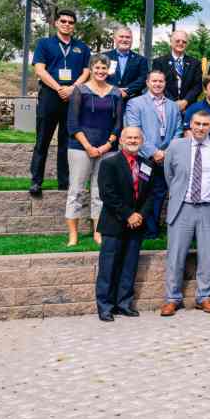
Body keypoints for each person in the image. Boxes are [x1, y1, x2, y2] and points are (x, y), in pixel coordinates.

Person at [160, 110, 210, 316]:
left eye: (205, 125)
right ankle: (172, 298)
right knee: (176, 255)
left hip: (209, 208)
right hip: (183, 207)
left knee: (207, 255)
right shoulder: (176, 146)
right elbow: (170, 175)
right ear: (190, 124)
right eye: (197, 124)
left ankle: (204, 297)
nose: (201, 128)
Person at [93, 126, 154, 321]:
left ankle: (124, 303)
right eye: (129, 137)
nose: (133, 140)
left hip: (137, 225)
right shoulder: (109, 164)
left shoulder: (147, 165)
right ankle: (105, 306)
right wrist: (128, 215)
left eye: (137, 138)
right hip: (114, 223)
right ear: (120, 140)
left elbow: (151, 195)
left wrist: (140, 215)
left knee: (129, 266)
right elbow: (107, 194)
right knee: (108, 267)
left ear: (142, 141)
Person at [30, 9, 90, 197]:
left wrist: (72, 88)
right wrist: (59, 88)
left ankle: (64, 182)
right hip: (50, 95)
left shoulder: (82, 47)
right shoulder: (44, 44)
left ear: (74, 26)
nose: (67, 24)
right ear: (56, 23)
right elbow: (40, 70)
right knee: (42, 140)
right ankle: (36, 181)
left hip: (73, 97)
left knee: (67, 141)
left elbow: (87, 72)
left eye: (71, 22)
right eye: (63, 21)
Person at [64, 55, 122, 246]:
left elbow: (118, 123)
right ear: (91, 69)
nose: (100, 71)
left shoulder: (115, 93)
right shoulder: (80, 90)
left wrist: (107, 145)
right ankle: (73, 235)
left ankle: (98, 232)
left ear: (108, 70)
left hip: (107, 149)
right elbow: (72, 122)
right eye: (97, 68)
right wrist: (88, 146)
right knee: (76, 191)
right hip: (81, 148)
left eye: (104, 68)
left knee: (100, 192)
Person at [124, 70, 182, 239]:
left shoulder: (172, 106)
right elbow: (135, 129)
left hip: (166, 157)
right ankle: (143, 228)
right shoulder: (135, 103)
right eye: (154, 81)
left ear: (165, 83)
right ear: (148, 83)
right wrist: (153, 152)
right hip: (144, 156)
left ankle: (153, 228)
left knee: (160, 192)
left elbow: (178, 130)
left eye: (161, 81)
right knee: (142, 193)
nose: (158, 84)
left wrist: (166, 152)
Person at [151, 29, 202, 112]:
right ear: (171, 42)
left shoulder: (195, 63)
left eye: (184, 42)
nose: (181, 43)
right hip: (164, 106)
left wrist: (185, 101)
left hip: (188, 107)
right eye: (177, 41)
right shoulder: (159, 62)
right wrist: (173, 103)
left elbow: (197, 86)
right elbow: (157, 84)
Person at [105, 26, 147, 100]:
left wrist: (127, 91)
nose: (124, 40)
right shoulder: (104, 57)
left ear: (132, 40)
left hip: (132, 100)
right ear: (115, 39)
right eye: (121, 36)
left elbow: (143, 79)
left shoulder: (141, 60)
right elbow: (99, 76)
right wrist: (114, 90)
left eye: (128, 37)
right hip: (107, 98)